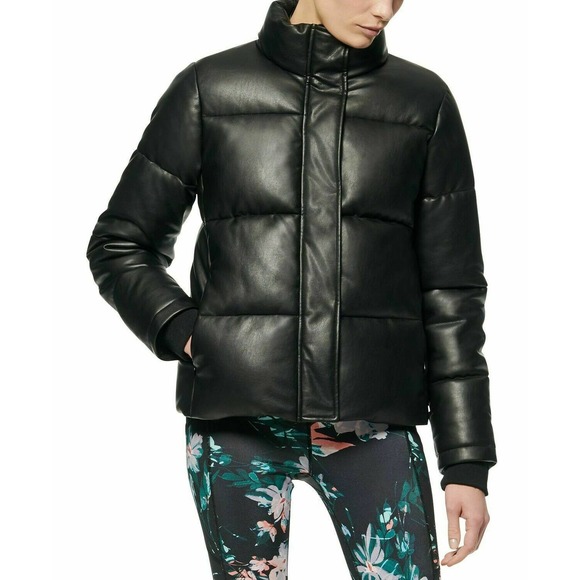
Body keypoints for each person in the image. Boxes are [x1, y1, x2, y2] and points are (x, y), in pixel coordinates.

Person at [86, 0, 497, 578]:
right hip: (236, 424)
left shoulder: (422, 102)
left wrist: (466, 463)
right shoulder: (210, 89)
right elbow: (120, 243)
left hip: (373, 424)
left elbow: (452, 292)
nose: (384, 9)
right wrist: (189, 333)